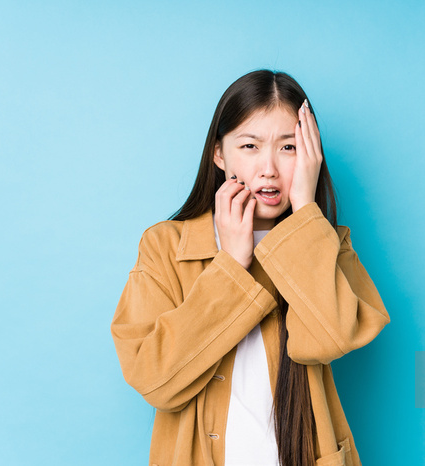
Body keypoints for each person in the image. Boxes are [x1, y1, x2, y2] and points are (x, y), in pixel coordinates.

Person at [110, 69, 391, 466]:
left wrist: (307, 212)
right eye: (250, 146)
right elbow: (154, 380)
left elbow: (332, 338)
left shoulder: (327, 244)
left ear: (311, 156)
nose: (269, 168)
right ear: (219, 154)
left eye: (289, 147)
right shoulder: (165, 247)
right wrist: (230, 267)